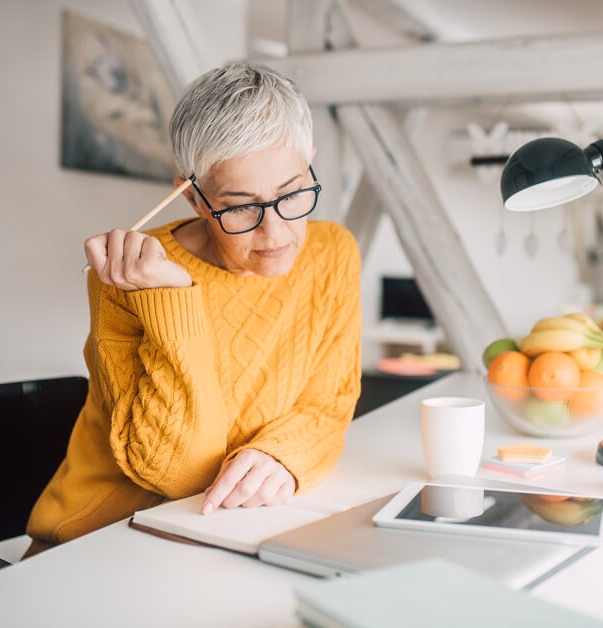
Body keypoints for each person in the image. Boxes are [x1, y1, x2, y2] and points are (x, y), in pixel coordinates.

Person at [25, 62, 362, 555]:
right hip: (103, 544)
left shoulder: (332, 251)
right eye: (241, 206)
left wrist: (284, 456)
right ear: (195, 197)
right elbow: (176, 471)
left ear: (310, 162)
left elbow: (329, 403)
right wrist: (172, 296)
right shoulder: (132, 278)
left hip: (234, 534)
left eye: (292, 193)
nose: (276, 233)